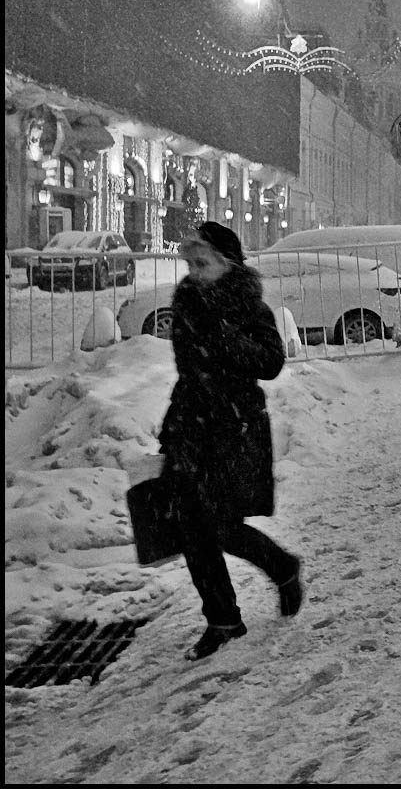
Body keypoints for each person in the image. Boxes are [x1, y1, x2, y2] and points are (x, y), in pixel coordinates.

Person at [159, 221, 303, 661]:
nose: (195, 271)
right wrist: (174, 425)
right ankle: (223, 620)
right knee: (191, 528)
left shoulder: (247, 304)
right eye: (191, 263)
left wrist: (223, 333)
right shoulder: (186, 301)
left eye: (203, 263)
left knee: (221, 525)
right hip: (191, 426)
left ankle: (281, 566)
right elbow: (189, 369)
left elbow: (270, 362)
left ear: (228, 263)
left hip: (234, 429)